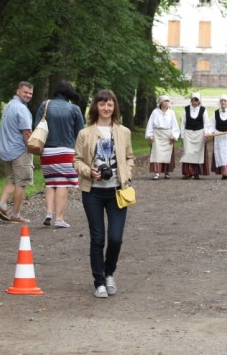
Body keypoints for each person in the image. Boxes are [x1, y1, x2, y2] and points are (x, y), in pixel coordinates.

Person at [73, 89, 134, 298]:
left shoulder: (123, 132)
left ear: (114, 107)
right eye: (102, 104)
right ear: (96, 107)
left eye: (109, 104)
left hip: (118, 191)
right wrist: (88, 171)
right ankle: (99, 281)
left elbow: (129, 157)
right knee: (97, 238)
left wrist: (127, 173)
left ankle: (109, 273)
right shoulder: (85, 133)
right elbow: (77, 160)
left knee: (116, 238)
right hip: (93, 193)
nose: (106, 108)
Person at [38, 80, 85, 226]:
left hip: (46, 152)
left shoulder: (45, 105)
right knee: (62, 183)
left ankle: (48, 213)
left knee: (50, 182)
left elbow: (37, 126)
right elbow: (81, 134)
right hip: (65, 152)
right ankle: (59, 218)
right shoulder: (74, 109)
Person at [0, 81, 34, 224]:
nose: (28, 95)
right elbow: (27, 132)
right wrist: (32, 148)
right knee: (21, 183)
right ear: (18, 91)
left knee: (11, 179)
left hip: (6, 150)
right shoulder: (22, 109)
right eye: (25, 92)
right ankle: (16, 214)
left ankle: (1, 205)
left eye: (30, 93)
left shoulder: (9, 106)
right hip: (19, 150)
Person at [146, 94, 180, 180]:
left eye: (167, 101)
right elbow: (150, 124)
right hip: (157, 134)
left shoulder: (171, 113)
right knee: (157, 153)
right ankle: (157, 172)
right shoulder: (155, 112)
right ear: (161, 102)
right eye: (165, 101)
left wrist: (174, 136)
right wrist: (150, 135)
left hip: (167, 134)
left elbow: (175, 125)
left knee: (167, 154)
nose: (166, 103)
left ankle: (166, 172)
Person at [180, 93, 210, 179]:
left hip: (199, 134)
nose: (195, 101)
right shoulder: (186, 109)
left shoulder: (203, 110)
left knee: (198, 153)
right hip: (188, 133)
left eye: (196, 100)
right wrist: (182, 135)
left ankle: (196, 173)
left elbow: (206, 124)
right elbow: (183, 123)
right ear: (191, 100)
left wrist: (206, 134)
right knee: (188, 152)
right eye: (193, 99)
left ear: (199, 100)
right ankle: (188, 172)